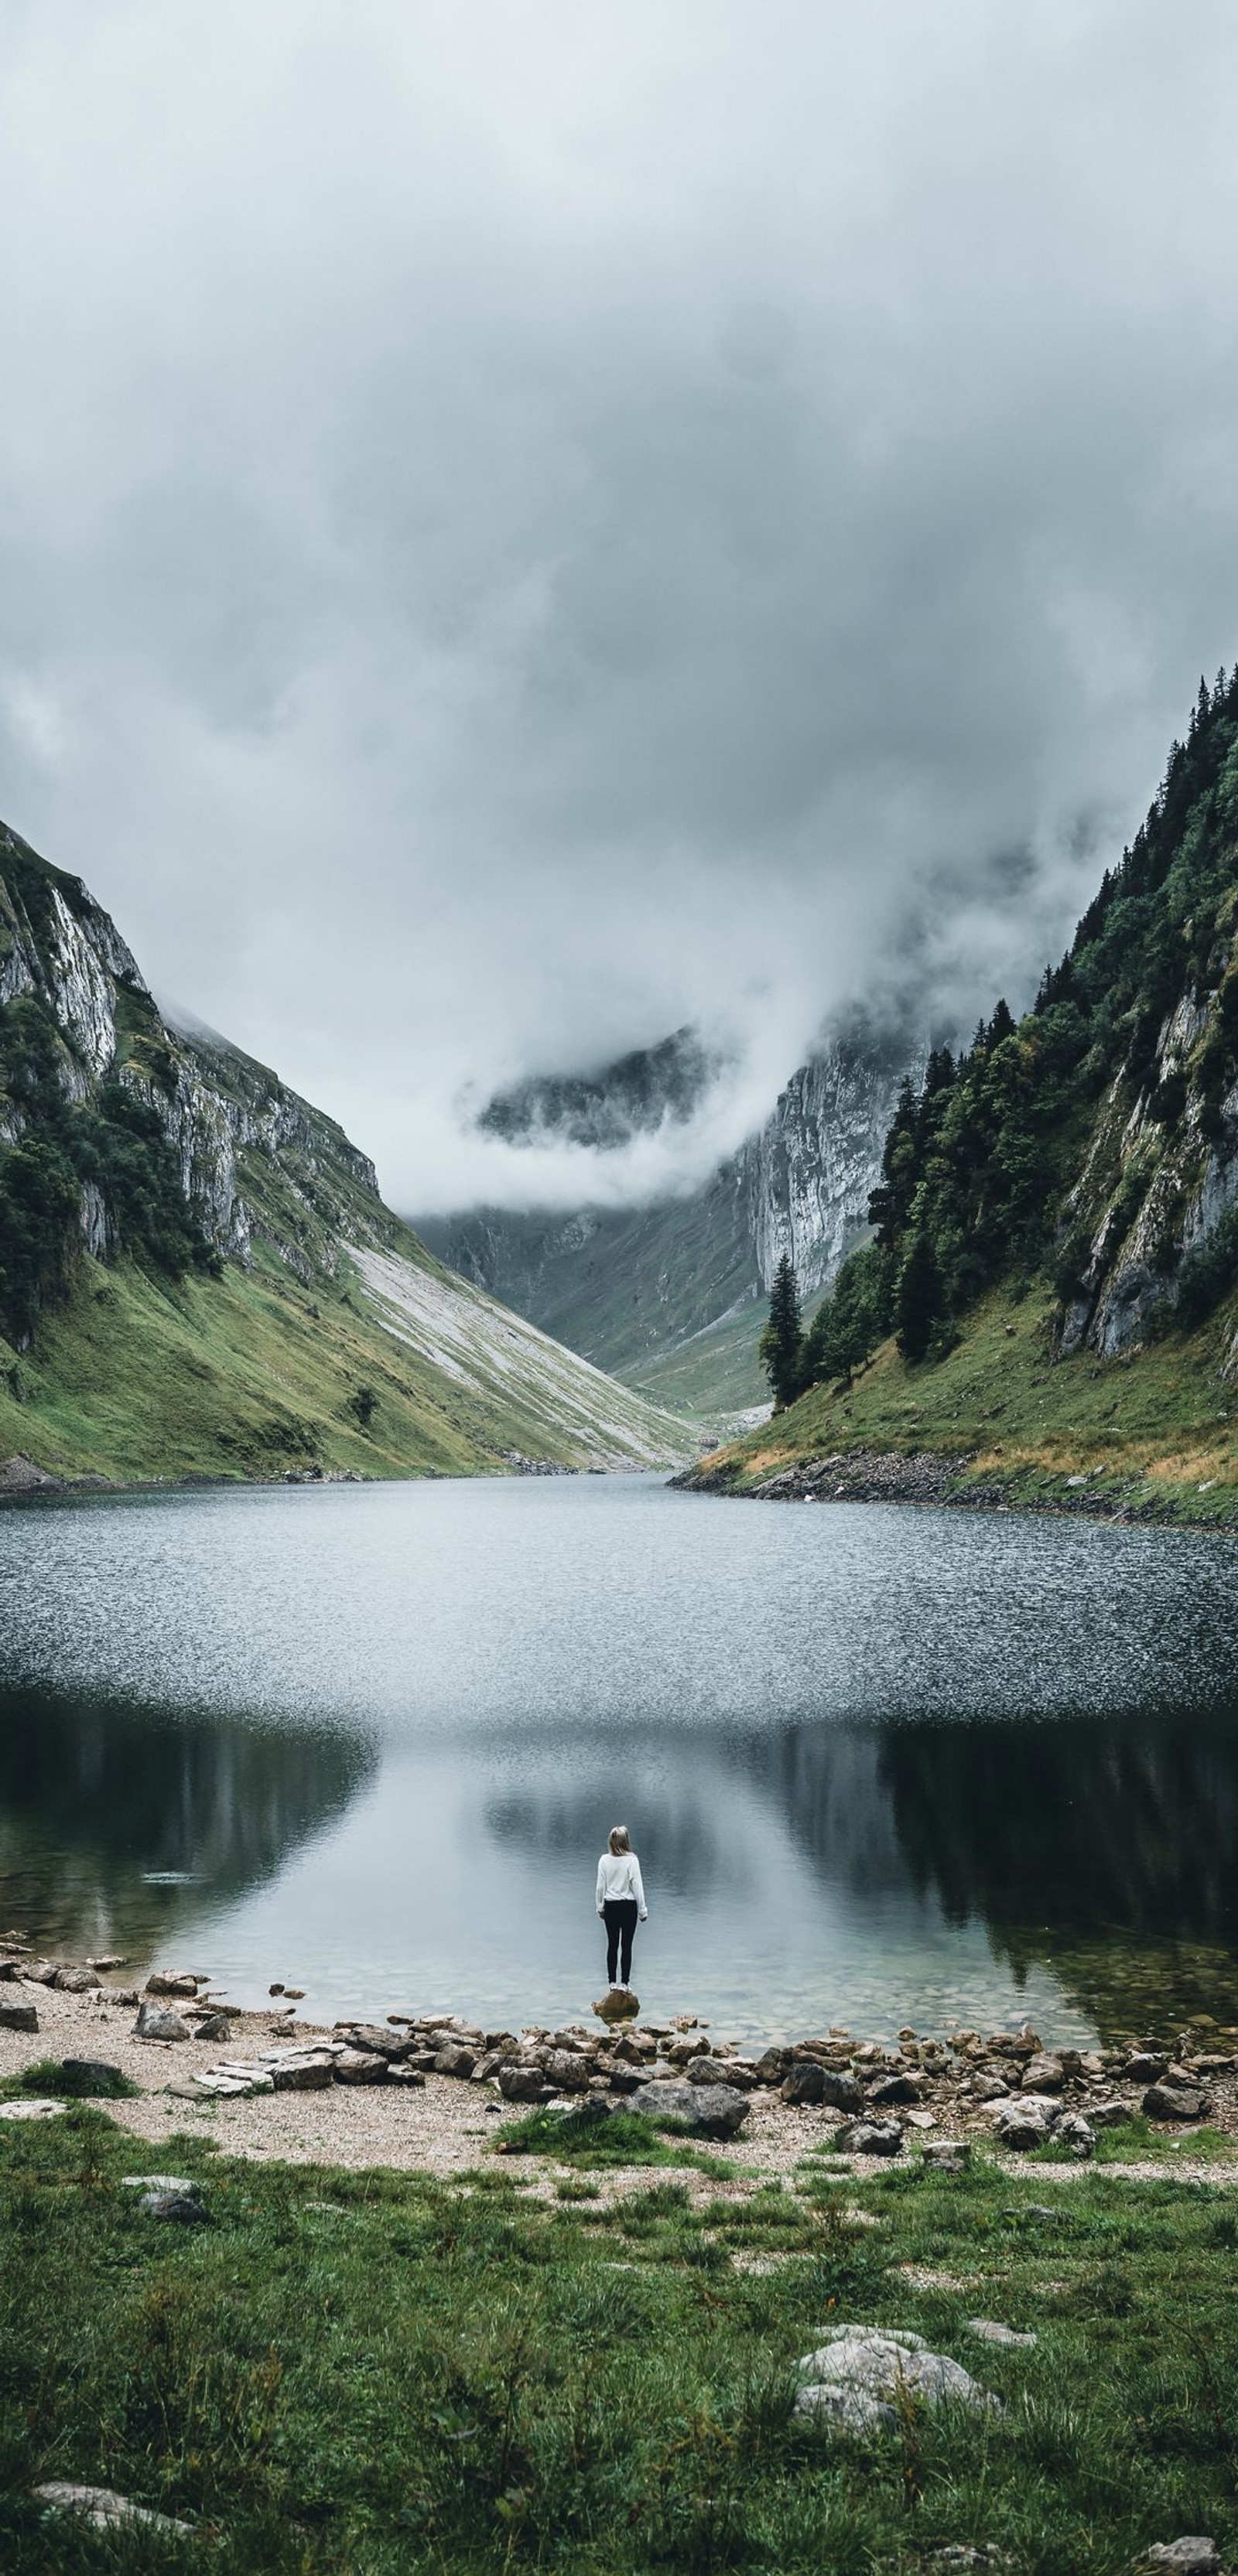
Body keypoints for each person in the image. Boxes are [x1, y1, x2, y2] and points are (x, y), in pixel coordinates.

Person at [595, 1824, 648, 1991]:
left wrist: (600, 1907)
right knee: (626, 1945)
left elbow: (600, 1887)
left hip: (610, 1905)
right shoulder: (632, 1860)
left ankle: (612, 1983)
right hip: (628, 1906)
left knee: (612, 1944)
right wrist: (643, 1910)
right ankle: (625, 1983)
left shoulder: (604, 1860)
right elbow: (637, 1886)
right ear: (626, 1841)